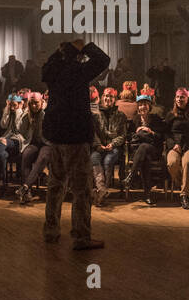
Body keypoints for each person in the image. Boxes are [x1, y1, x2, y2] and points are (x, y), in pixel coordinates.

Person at [40, 38, 110, 249]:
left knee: (55, 185)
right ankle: (81, 236)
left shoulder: (53, 70)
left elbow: (46, 67)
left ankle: (51, 231)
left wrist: (61, 50)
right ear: (76, 56)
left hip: (55, 134)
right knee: (81, 189)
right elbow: (104, 60)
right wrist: (85, 46)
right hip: (75, 135)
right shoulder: (78, 71)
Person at [125, 94, 167, 205]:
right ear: (138, 107)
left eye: (145, 105)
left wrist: (150, 131)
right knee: (144, 160)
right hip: (138, 153)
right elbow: (129, 137)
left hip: (153, 150)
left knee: (144, 147)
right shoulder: (135, 120)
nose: (142, 107)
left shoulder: (156, 119)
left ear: (149, 106)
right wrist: (137, 131)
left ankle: (131, 176)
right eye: (140, 105)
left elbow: (161, 137)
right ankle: (147, 195)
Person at [91, 85, 127, 206]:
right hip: (99, 146)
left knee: (108, 160)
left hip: (113, 147)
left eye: (111, 96)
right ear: (102, 97)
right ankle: (102, 190)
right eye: (106, 96)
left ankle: (102, 191)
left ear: (115, 99)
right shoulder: (95, 114)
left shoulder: (121, 116)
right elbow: (92, 132)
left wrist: (113, 144)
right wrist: (98, 145)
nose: (108, 98)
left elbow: (122, 135)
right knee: (94, 158)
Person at [163, 89, 189, 208]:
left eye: (182, 97)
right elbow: (166, 133)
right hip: (174, 146)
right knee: (172, 163)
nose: (179, 100)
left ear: (188, 99)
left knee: (187, 162)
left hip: (188, 146)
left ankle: (184, 195)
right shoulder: (170, 114)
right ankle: (183, 185)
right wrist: (173, 144)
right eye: (177, 97)